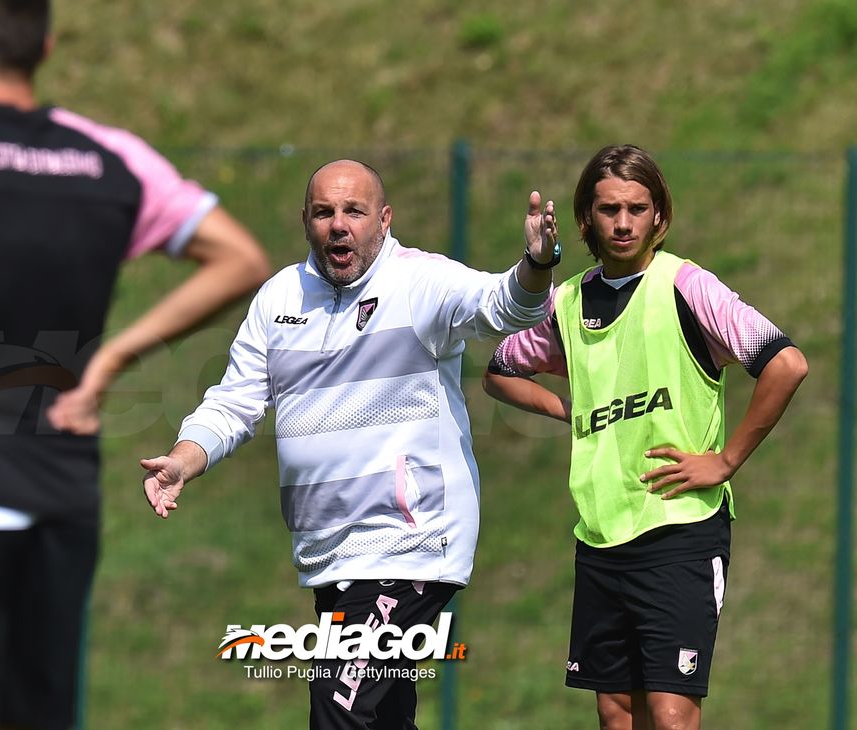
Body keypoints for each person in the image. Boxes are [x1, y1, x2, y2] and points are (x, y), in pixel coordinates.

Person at [0, 1, 270, 728]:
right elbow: (240, 257)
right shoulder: (110, 157)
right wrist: (111, 358)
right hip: (61, 491)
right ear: (45, 44)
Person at [139, 158, 560, 729]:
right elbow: (235, 400)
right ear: (306, 222)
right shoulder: (279, 297)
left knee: (339, 716)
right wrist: (184, 460)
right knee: (384, 721)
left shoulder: (420, 282)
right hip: (329, 554)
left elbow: (505, 305)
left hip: (405, 543)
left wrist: (536, 264)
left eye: (354, 211)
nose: (339, 224)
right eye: (324, 212)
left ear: (383, 220)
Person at [483, 144, 808, 730]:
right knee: (615, 715)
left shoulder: (687, 286)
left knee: (671, 715)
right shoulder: (568, 302)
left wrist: (726, 460)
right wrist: (572, 409)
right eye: (609, 209)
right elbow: (500, 374)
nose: (624, 222)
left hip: (679, 528)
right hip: (601, 532)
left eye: (638, 207)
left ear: (660, 215)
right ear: (587, 219)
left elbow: (786, 364)